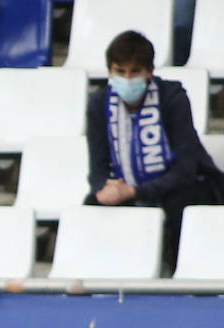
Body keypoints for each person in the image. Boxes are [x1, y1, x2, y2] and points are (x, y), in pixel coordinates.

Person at [85, 30, 224, 271]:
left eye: (135, 72)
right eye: (120, 72)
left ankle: (182, 268)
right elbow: (97, 168)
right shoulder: (98, 105)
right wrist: (103, 189)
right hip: (130, 186)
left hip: (185, 185)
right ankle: (107, 272)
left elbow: (186, 169)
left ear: (150, 72)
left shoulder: (172, 98)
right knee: (94, 204)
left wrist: (135, 191)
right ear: (110, 72)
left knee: (183, 199)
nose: (127, 79)